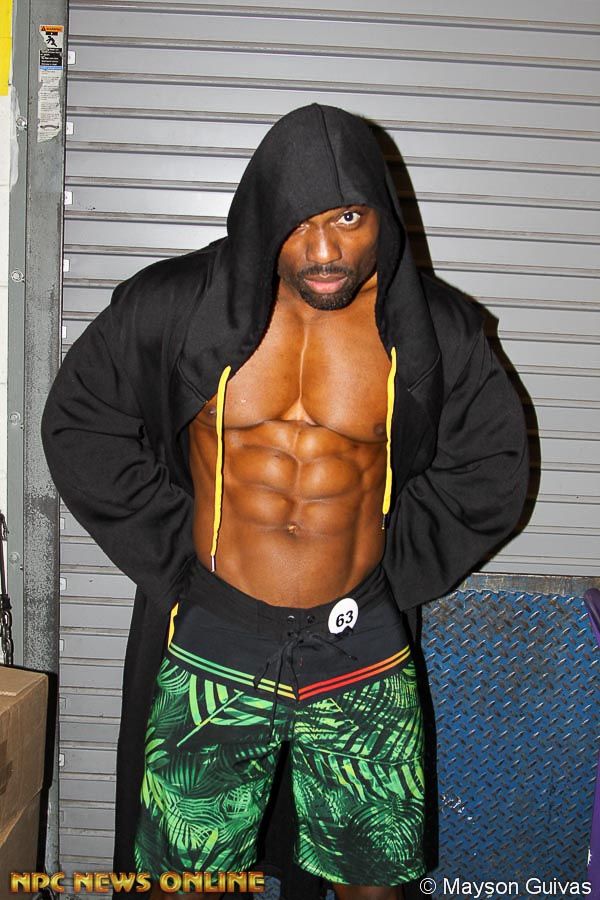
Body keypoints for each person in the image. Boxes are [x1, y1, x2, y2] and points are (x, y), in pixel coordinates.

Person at [41, 104, 529, 900]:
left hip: (358, 643)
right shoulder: (174, 304)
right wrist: (176, 555)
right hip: (216, 637)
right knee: (186, 875)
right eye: (299, 223)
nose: (325, 251)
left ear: (383, 215)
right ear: (262, 216)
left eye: (347, 219)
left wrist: (394, 575)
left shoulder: (434, 331)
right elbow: (82, 423)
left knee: (376, 876)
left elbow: (492, 467)